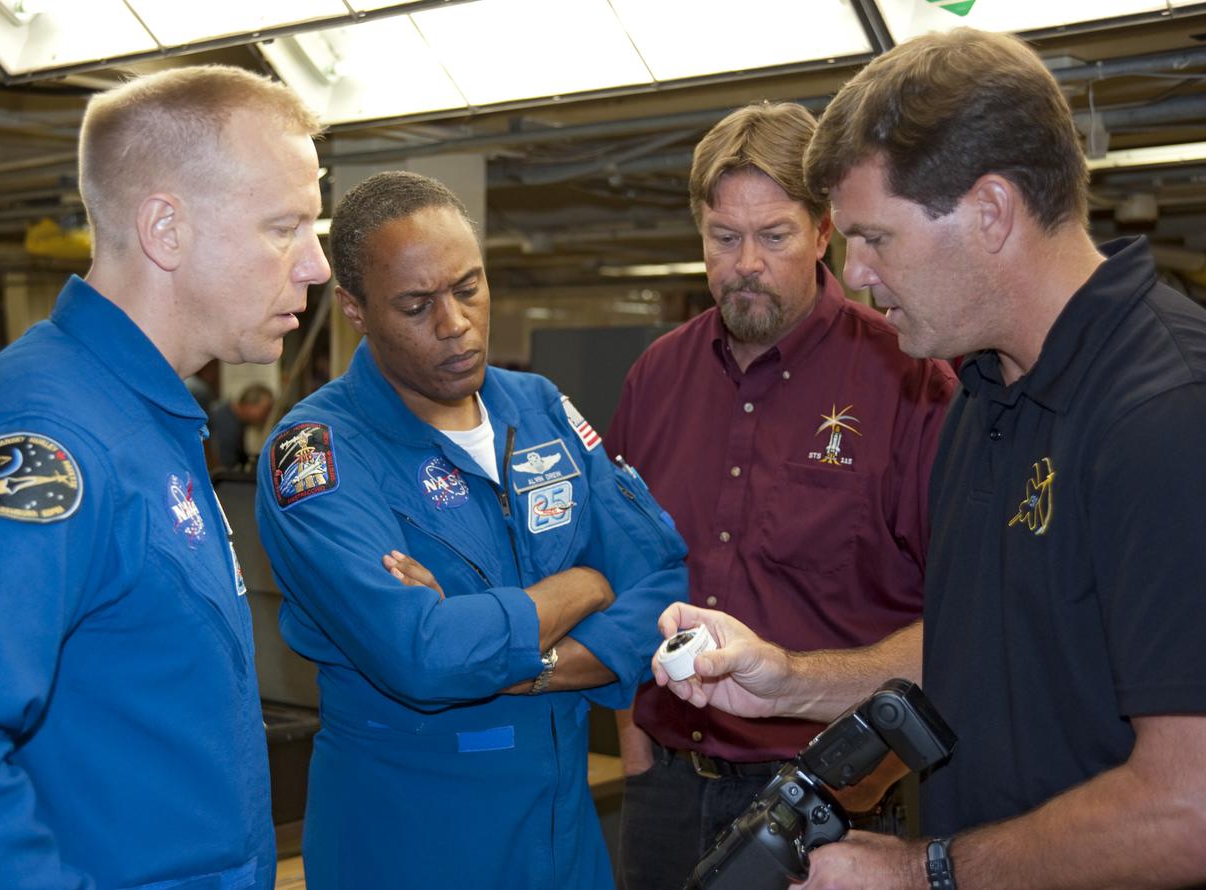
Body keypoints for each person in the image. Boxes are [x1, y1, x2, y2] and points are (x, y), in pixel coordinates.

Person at [655, 27, 1206, 890]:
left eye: (874, 238)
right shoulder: (980, 396)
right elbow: (970, 653)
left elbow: (1191, 809)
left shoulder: (1165, 412)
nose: (859, 275)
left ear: (989, 212)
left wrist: (925, 872)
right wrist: (786, 681)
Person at [0, 66, 330, 888]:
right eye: (284, 227)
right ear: (166, 230)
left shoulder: (144, 418)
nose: (317, 266)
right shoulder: (48, 439)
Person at [254, 170, 689, 890]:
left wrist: (521, 661)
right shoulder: (319, 455)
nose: (454, 323)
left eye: (469, 287)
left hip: (562, 843)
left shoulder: (539, 408)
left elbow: (662, 580)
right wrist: (585, 584)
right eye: (417, 305)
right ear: (355, 310)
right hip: (414, 847)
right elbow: (425, 655)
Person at [606, 102, 955, 889]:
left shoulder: (909, 379)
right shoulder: (657, 377)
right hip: (664, 785)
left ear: (825, 231)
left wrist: (877, 772)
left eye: (774, 236)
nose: (746, 264)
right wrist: (634, 742)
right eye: (724, 239)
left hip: (828, 802)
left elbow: (964, 616)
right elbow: (620, 568)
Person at [208, 382, 276, 470]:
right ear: (249, 405)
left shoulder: (233, 418)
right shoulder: (227, 426)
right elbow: (225, 467)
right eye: (266, 410)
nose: (266, 417)